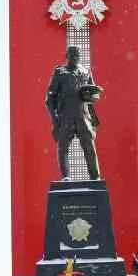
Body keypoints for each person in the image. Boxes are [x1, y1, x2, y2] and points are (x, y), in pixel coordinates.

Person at [45, 45, 102, 180]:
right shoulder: (60, 72)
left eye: (77, 54)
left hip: (83, 117)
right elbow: (49, 99)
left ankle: (95, 177)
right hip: (65, 117)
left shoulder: (85, 71)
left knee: (89, 147)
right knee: (62, 147)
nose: (75, 57)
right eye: (72, 54)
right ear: (67, 56)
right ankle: (66, 176)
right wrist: (55, 119)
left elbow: (95, 95)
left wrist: (91, 96)